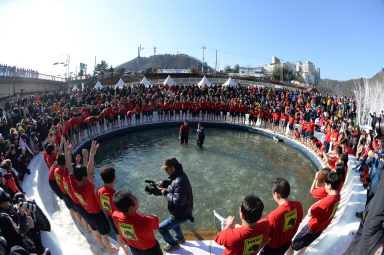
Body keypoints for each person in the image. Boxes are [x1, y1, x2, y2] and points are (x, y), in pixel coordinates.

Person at [287, 172, 340, 254]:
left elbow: (309, 213)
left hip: (311, 228)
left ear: (329, 185)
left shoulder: (326, 202)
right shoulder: (338, 196)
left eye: (326, 184)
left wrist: (315, 204)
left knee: (292, 245)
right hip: (320, 229)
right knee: (305, 245)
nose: (325, 186)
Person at [157, 157, 194, 252]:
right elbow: (173, 183)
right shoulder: (179, 176)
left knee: (161, 228)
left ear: (172, 167)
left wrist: (165, 193)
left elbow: (178, 201)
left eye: (166, 169)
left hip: (181, 213)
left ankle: (174, 244)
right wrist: (164, 183)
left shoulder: (180, 180)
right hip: (182, 211)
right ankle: (180, 237)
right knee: (174, 223)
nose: (165, 171)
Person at [260, 178, 303, 255]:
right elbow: (299, 221)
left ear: (276, 195)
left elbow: (266, 236)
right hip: (286, 244)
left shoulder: (273, 216)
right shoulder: (298, 205)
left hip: (272, 249)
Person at [112, 190, 162, 255]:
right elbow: (156, 227)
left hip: (133, 247)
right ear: (131, 209)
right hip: (150, 250)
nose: (137, 200)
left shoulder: (115, 216)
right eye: (136, 200)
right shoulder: (148, 221)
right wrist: (154, 217)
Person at [96, 166, 129, 254]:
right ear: (114, 178)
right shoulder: (115, 195)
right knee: (123, 235)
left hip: (110, 217)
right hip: (118, 219)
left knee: (118, 234)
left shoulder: (99, 191)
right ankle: (126, 251)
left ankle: (125, 249)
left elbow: (101, 203)